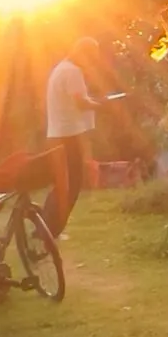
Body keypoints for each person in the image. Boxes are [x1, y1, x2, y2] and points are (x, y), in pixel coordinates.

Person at [42, 42, 103, 237]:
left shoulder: (61, 68)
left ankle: (45, 227)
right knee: (71, 185)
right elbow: (80, 101)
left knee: (63, 183)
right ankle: (52, 229)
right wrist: (98, 105)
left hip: (57, 133)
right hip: (68, 134)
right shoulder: (73, 71)